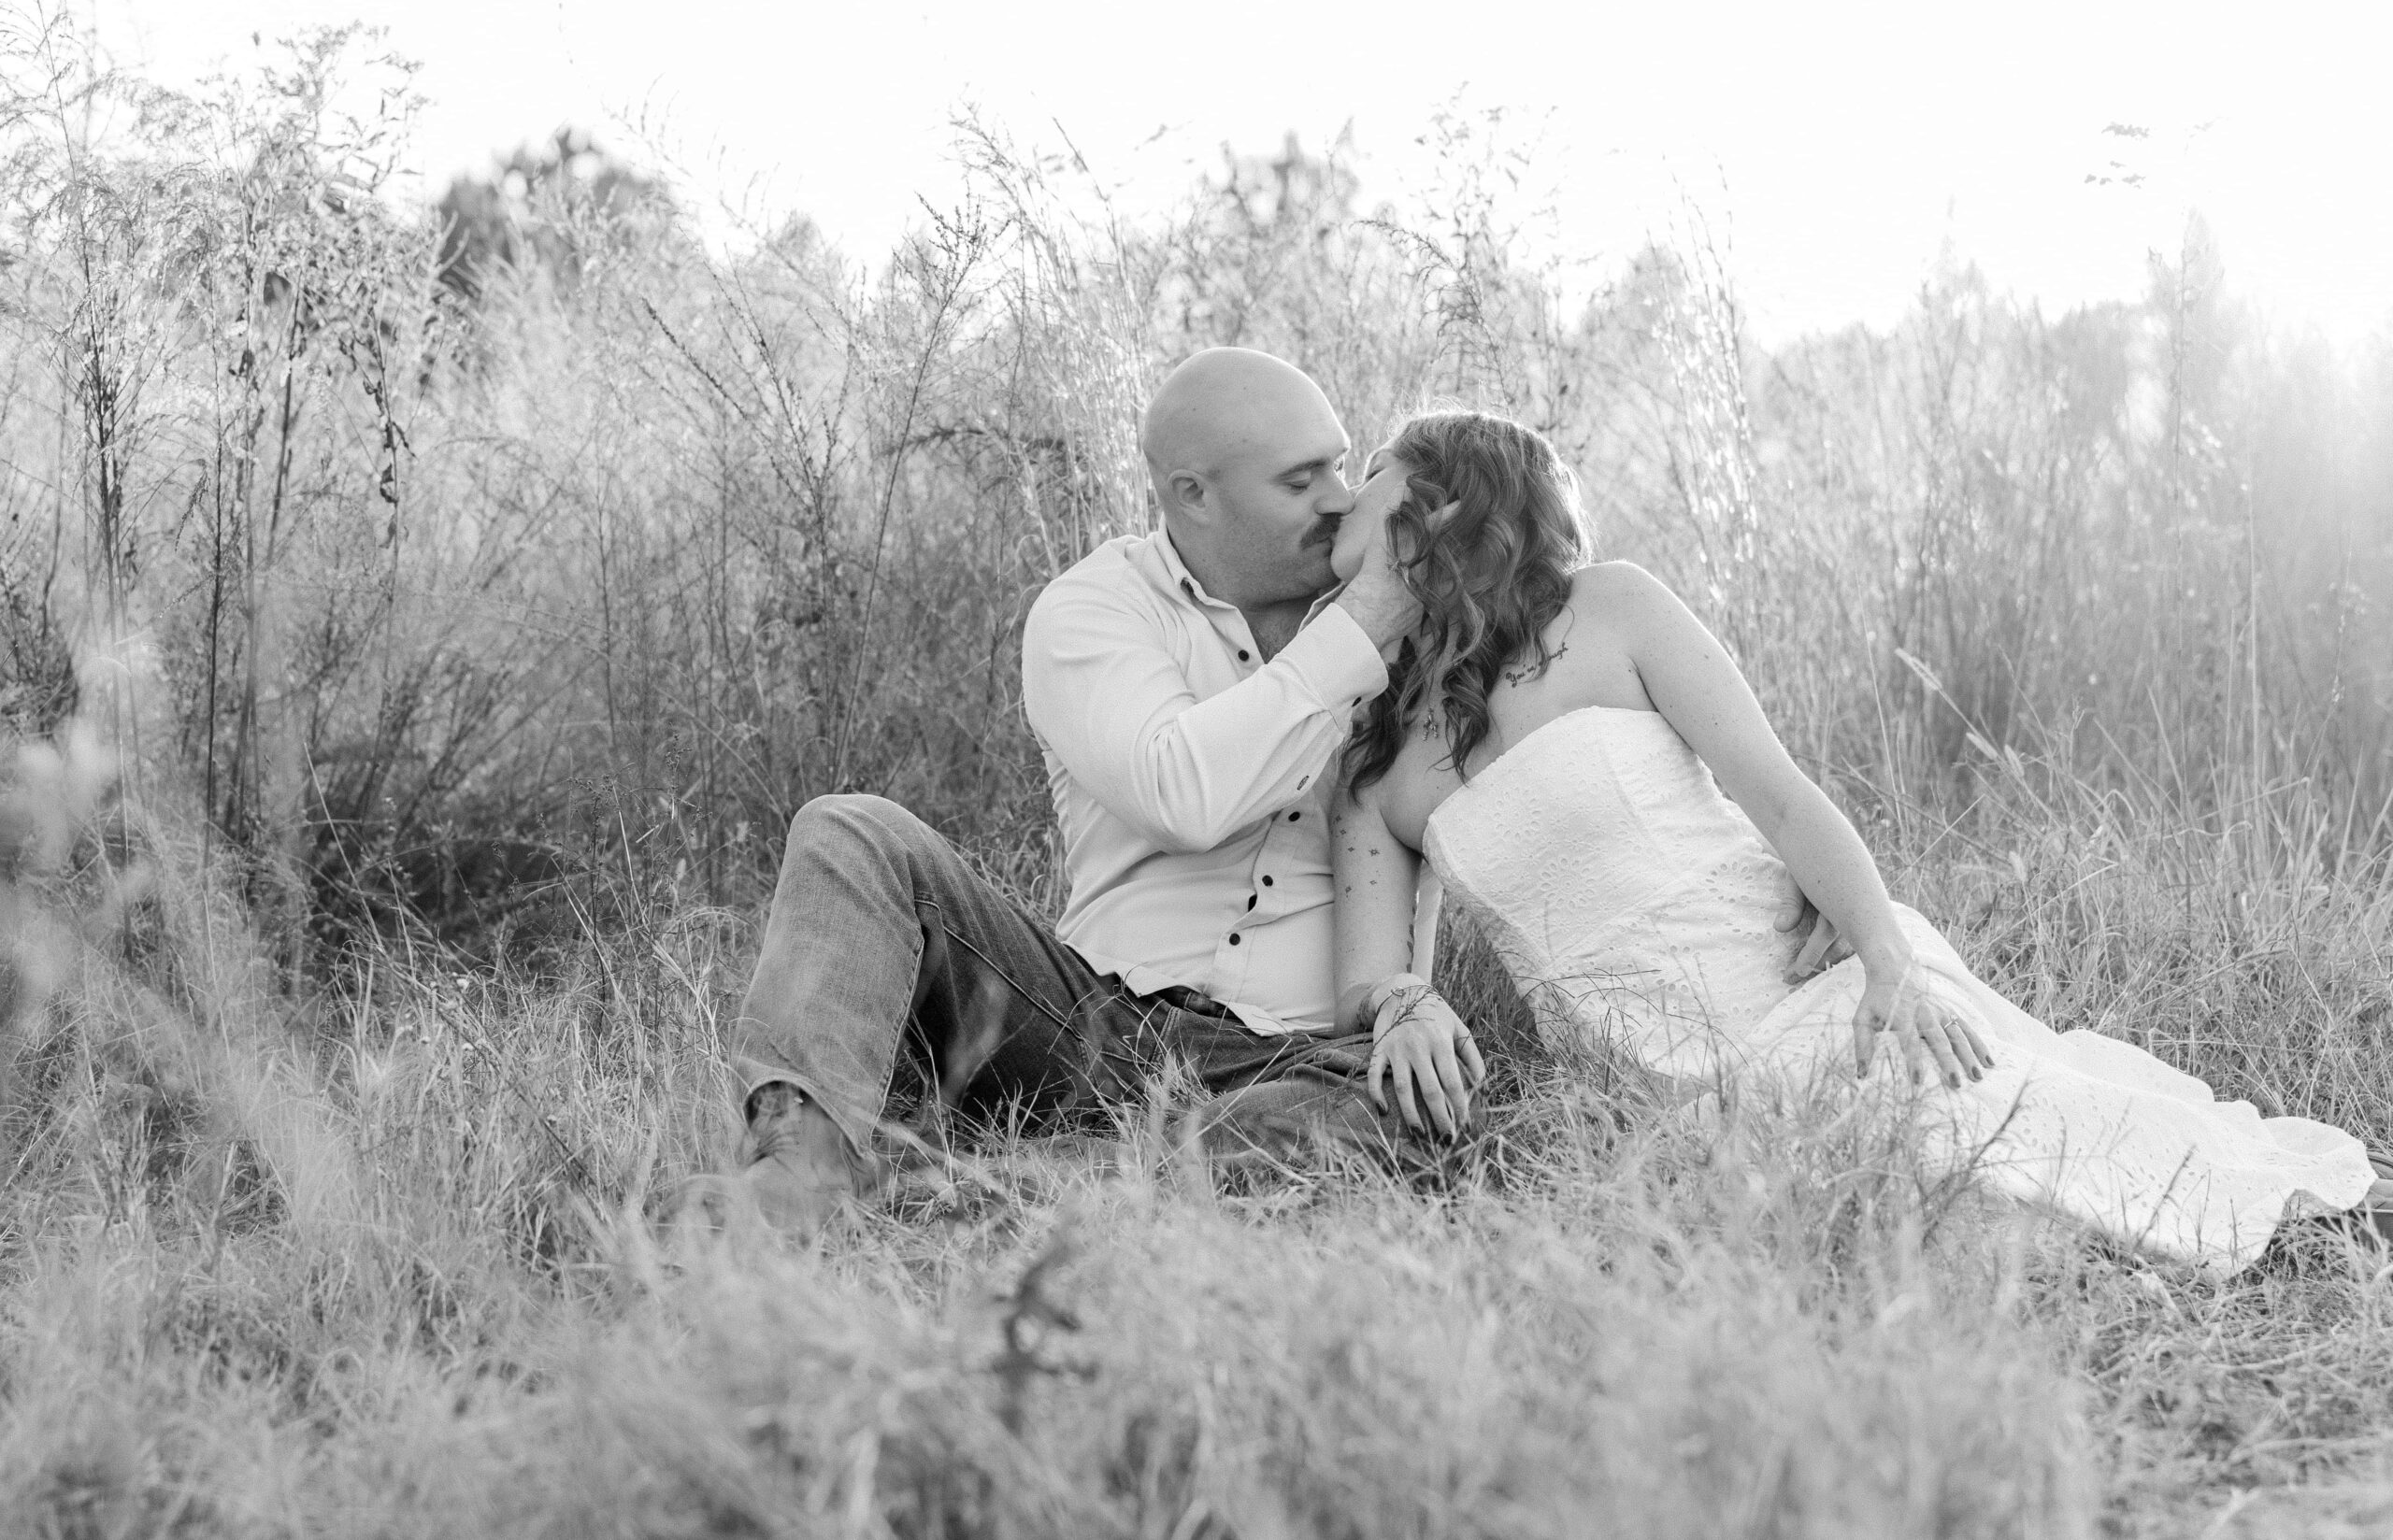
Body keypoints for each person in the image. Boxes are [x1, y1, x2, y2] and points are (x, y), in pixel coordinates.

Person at [1325, 408, 2391, 1277]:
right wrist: (1405, 1005)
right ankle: (2091, 1263)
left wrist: (1883, 953)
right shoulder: (1375, 755)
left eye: (1367, 468)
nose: (1343, 489)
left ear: (1444, 502)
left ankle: (2266, 1223)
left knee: (1952, 1121)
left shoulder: (1612, 610)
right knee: (1857, 1199)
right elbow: (1371, 976)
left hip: (1802, 976)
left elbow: (1781, 798)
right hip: (1655, 1084)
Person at [689, 350, 1508, 1229]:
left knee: (1408, 1119)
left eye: (1343, 465)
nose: (1341, 498)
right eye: (1301, 479)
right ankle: (801, 1174)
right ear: (1193, 494)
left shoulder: (1423, 631)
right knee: (850, 830)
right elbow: (1181, 795)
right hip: (1084, 1021)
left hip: (1297, 1063)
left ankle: (966, 1180)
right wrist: (1358, 631)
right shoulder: (1096, 608)